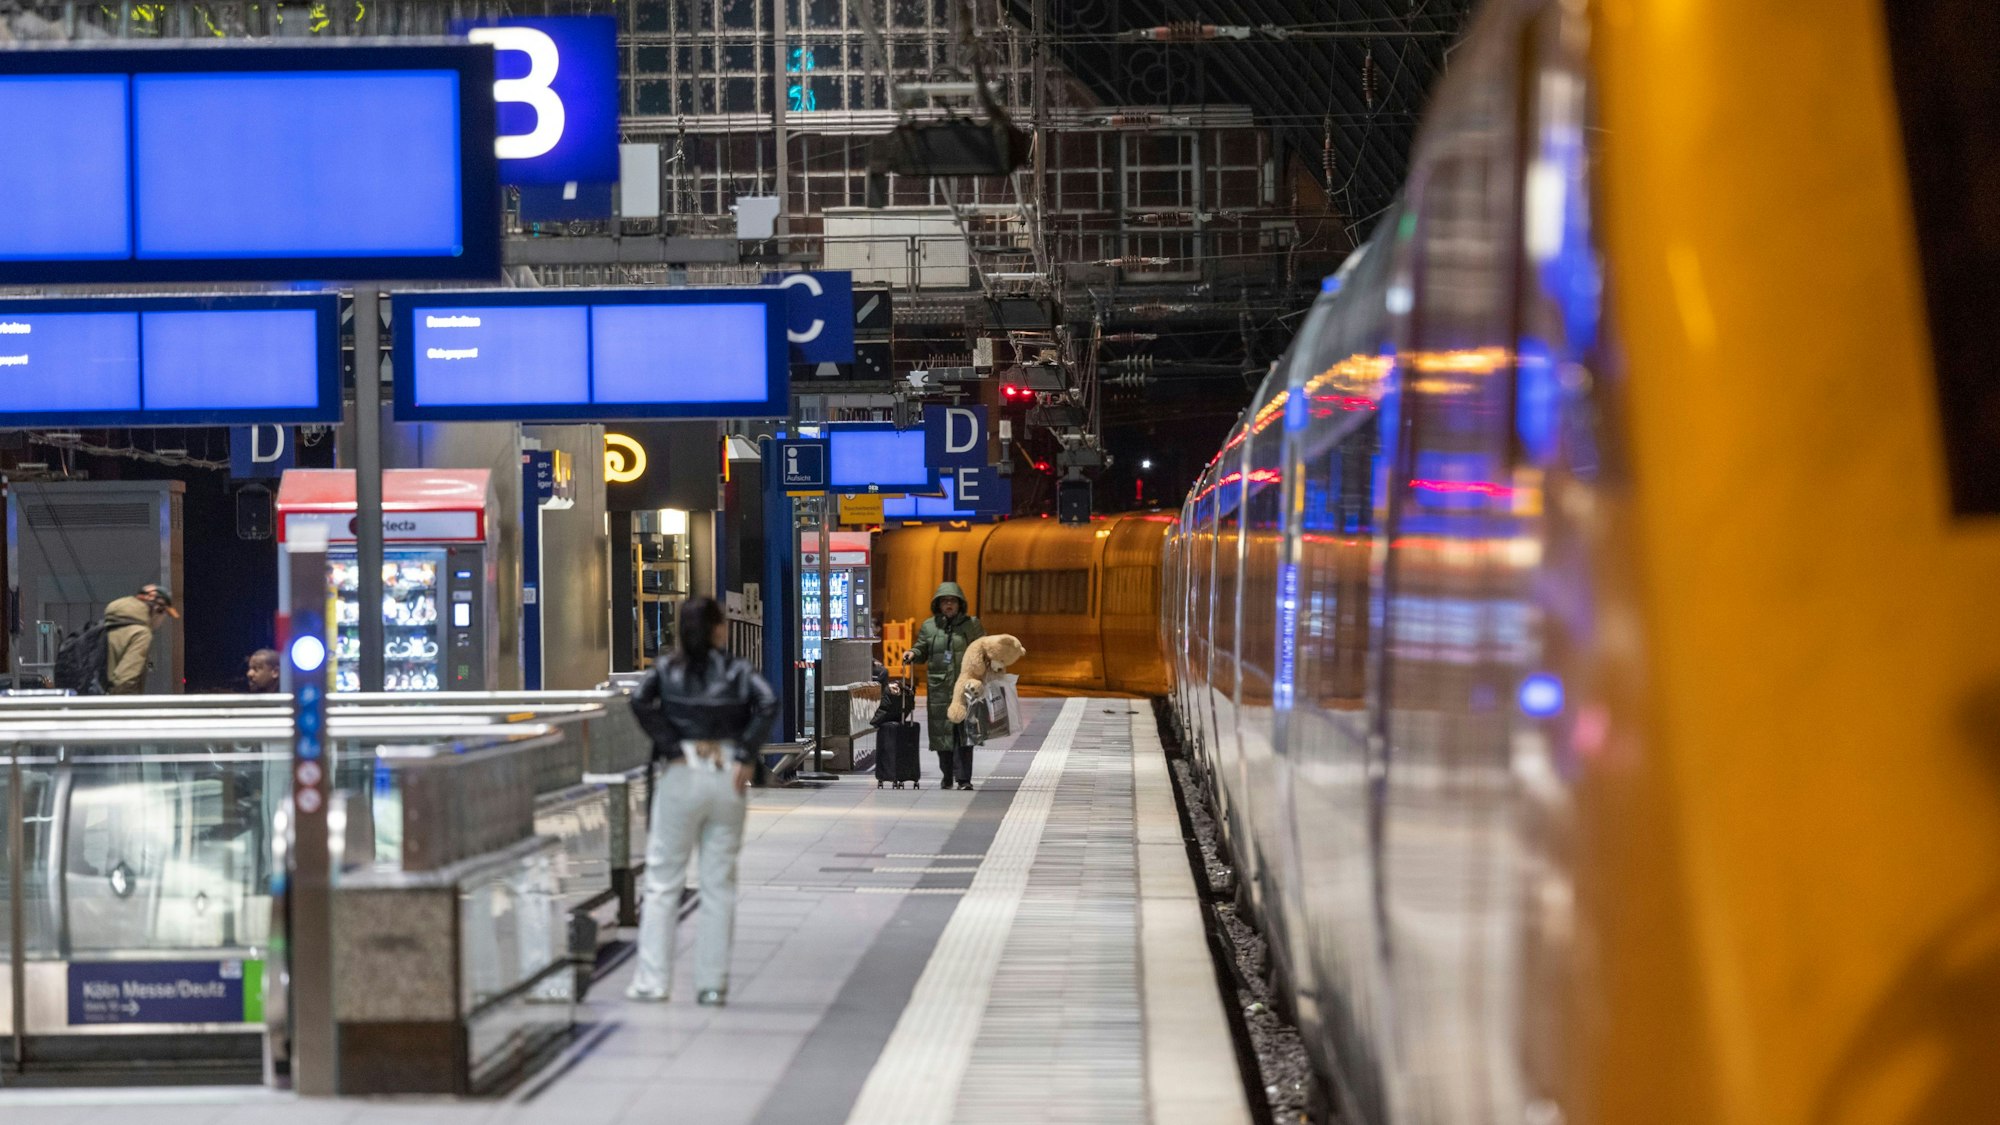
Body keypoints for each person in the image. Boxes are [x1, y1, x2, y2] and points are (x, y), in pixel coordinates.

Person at [625, 595, 777, 1006]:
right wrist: (746, 753)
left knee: (662, 882)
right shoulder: (738, 670)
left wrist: (671, 744)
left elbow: (639, 700)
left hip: (681, 772)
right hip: (727, 773)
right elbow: (767, 701)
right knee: (718, 883)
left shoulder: (666, 669)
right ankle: (711, 985)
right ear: (717, 629)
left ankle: (652, 982)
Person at [905, 581, 985, 790]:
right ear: (938, 604)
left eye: (953, 601)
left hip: (966, 688)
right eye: (945, 601)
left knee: (964, 733)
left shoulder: (972, 624)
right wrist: (913, 653)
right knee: (943, 733)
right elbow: (921, 647)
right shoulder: (929, 626)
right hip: (939, 687)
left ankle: (964, 779)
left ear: (960, 604)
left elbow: (982, 648)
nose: (949, 605)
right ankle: (947, 774)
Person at [103, 584, 178, 695]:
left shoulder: (111, 624)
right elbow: (125, 680)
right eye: (164, 614)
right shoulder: (141, 633)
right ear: (157, 609)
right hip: (116, 706)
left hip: (95, 700)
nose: (162, 621)